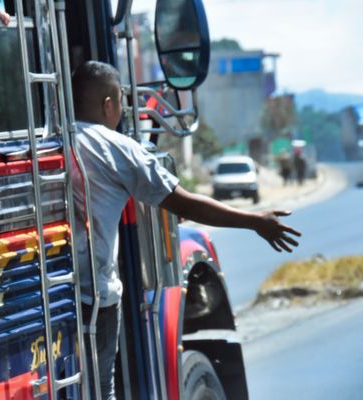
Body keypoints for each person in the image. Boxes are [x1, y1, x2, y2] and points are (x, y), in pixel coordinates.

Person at [71, 61, 301, 400]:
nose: (121, 110)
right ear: (108, 105)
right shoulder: (115, 146)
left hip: (60, 294)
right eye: (120, 101)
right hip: (96, 297)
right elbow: (186, 204)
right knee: (100, 390)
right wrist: (255, 221)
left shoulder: (48, 140)